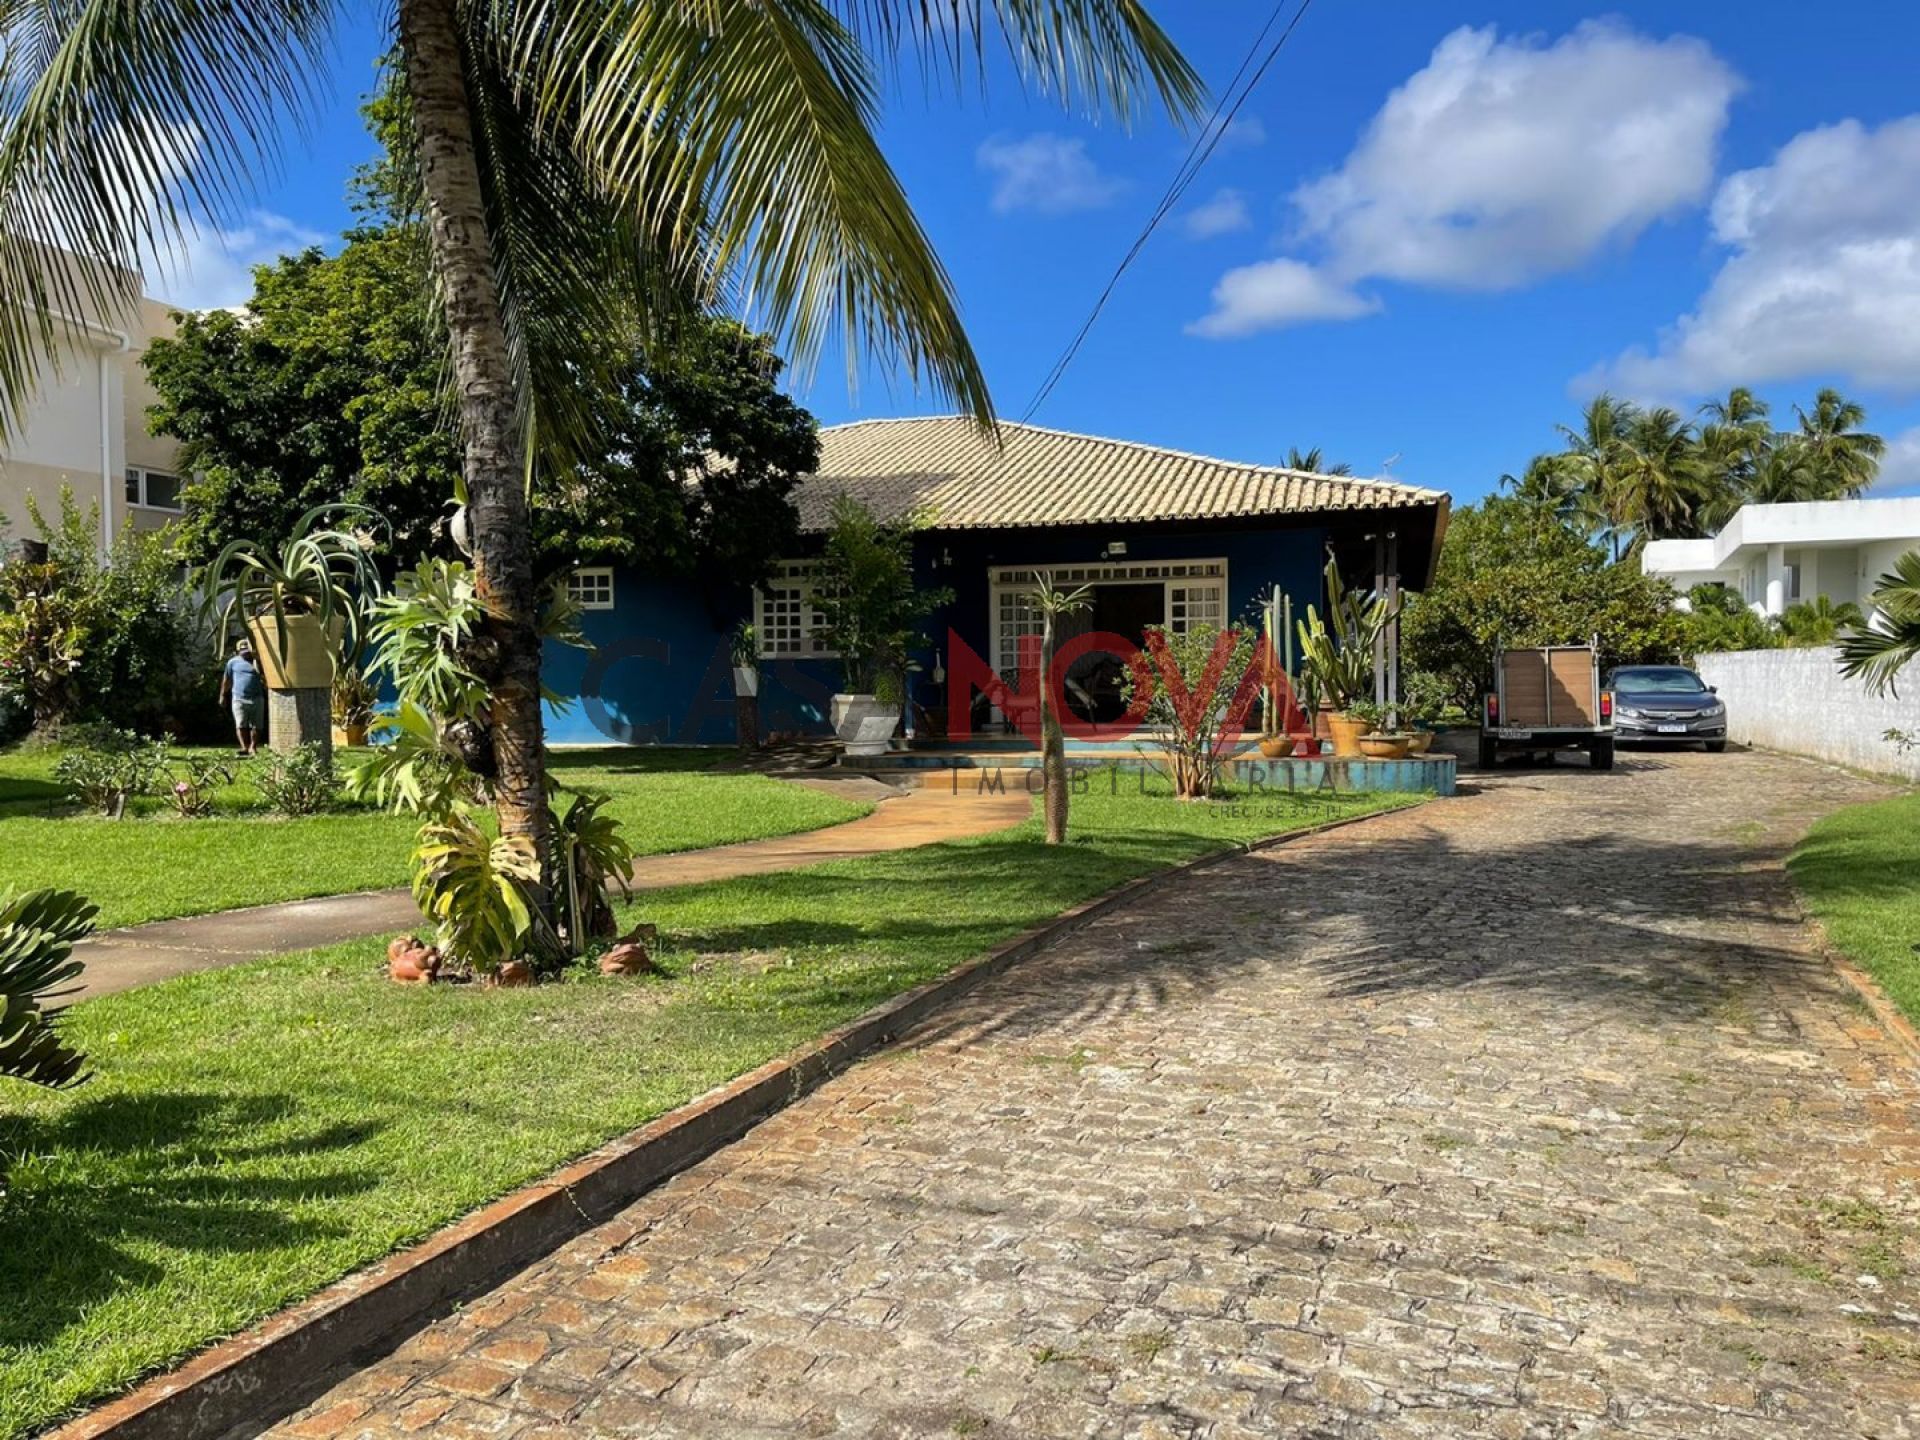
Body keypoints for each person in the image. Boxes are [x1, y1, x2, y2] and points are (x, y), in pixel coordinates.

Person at [220, 637, 265, 756]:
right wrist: (223, 695)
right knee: (241, 724)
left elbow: (265, 676)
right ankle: (244, 747)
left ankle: (253, 747)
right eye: (243, 652)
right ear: (238, 651)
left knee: (257, 725)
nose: (246, 654)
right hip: (239, 697)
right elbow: (227, 680)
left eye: (248, 652)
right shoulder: (232, 662)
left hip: (257, 697)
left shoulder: (258, 661)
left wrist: (257, 661)